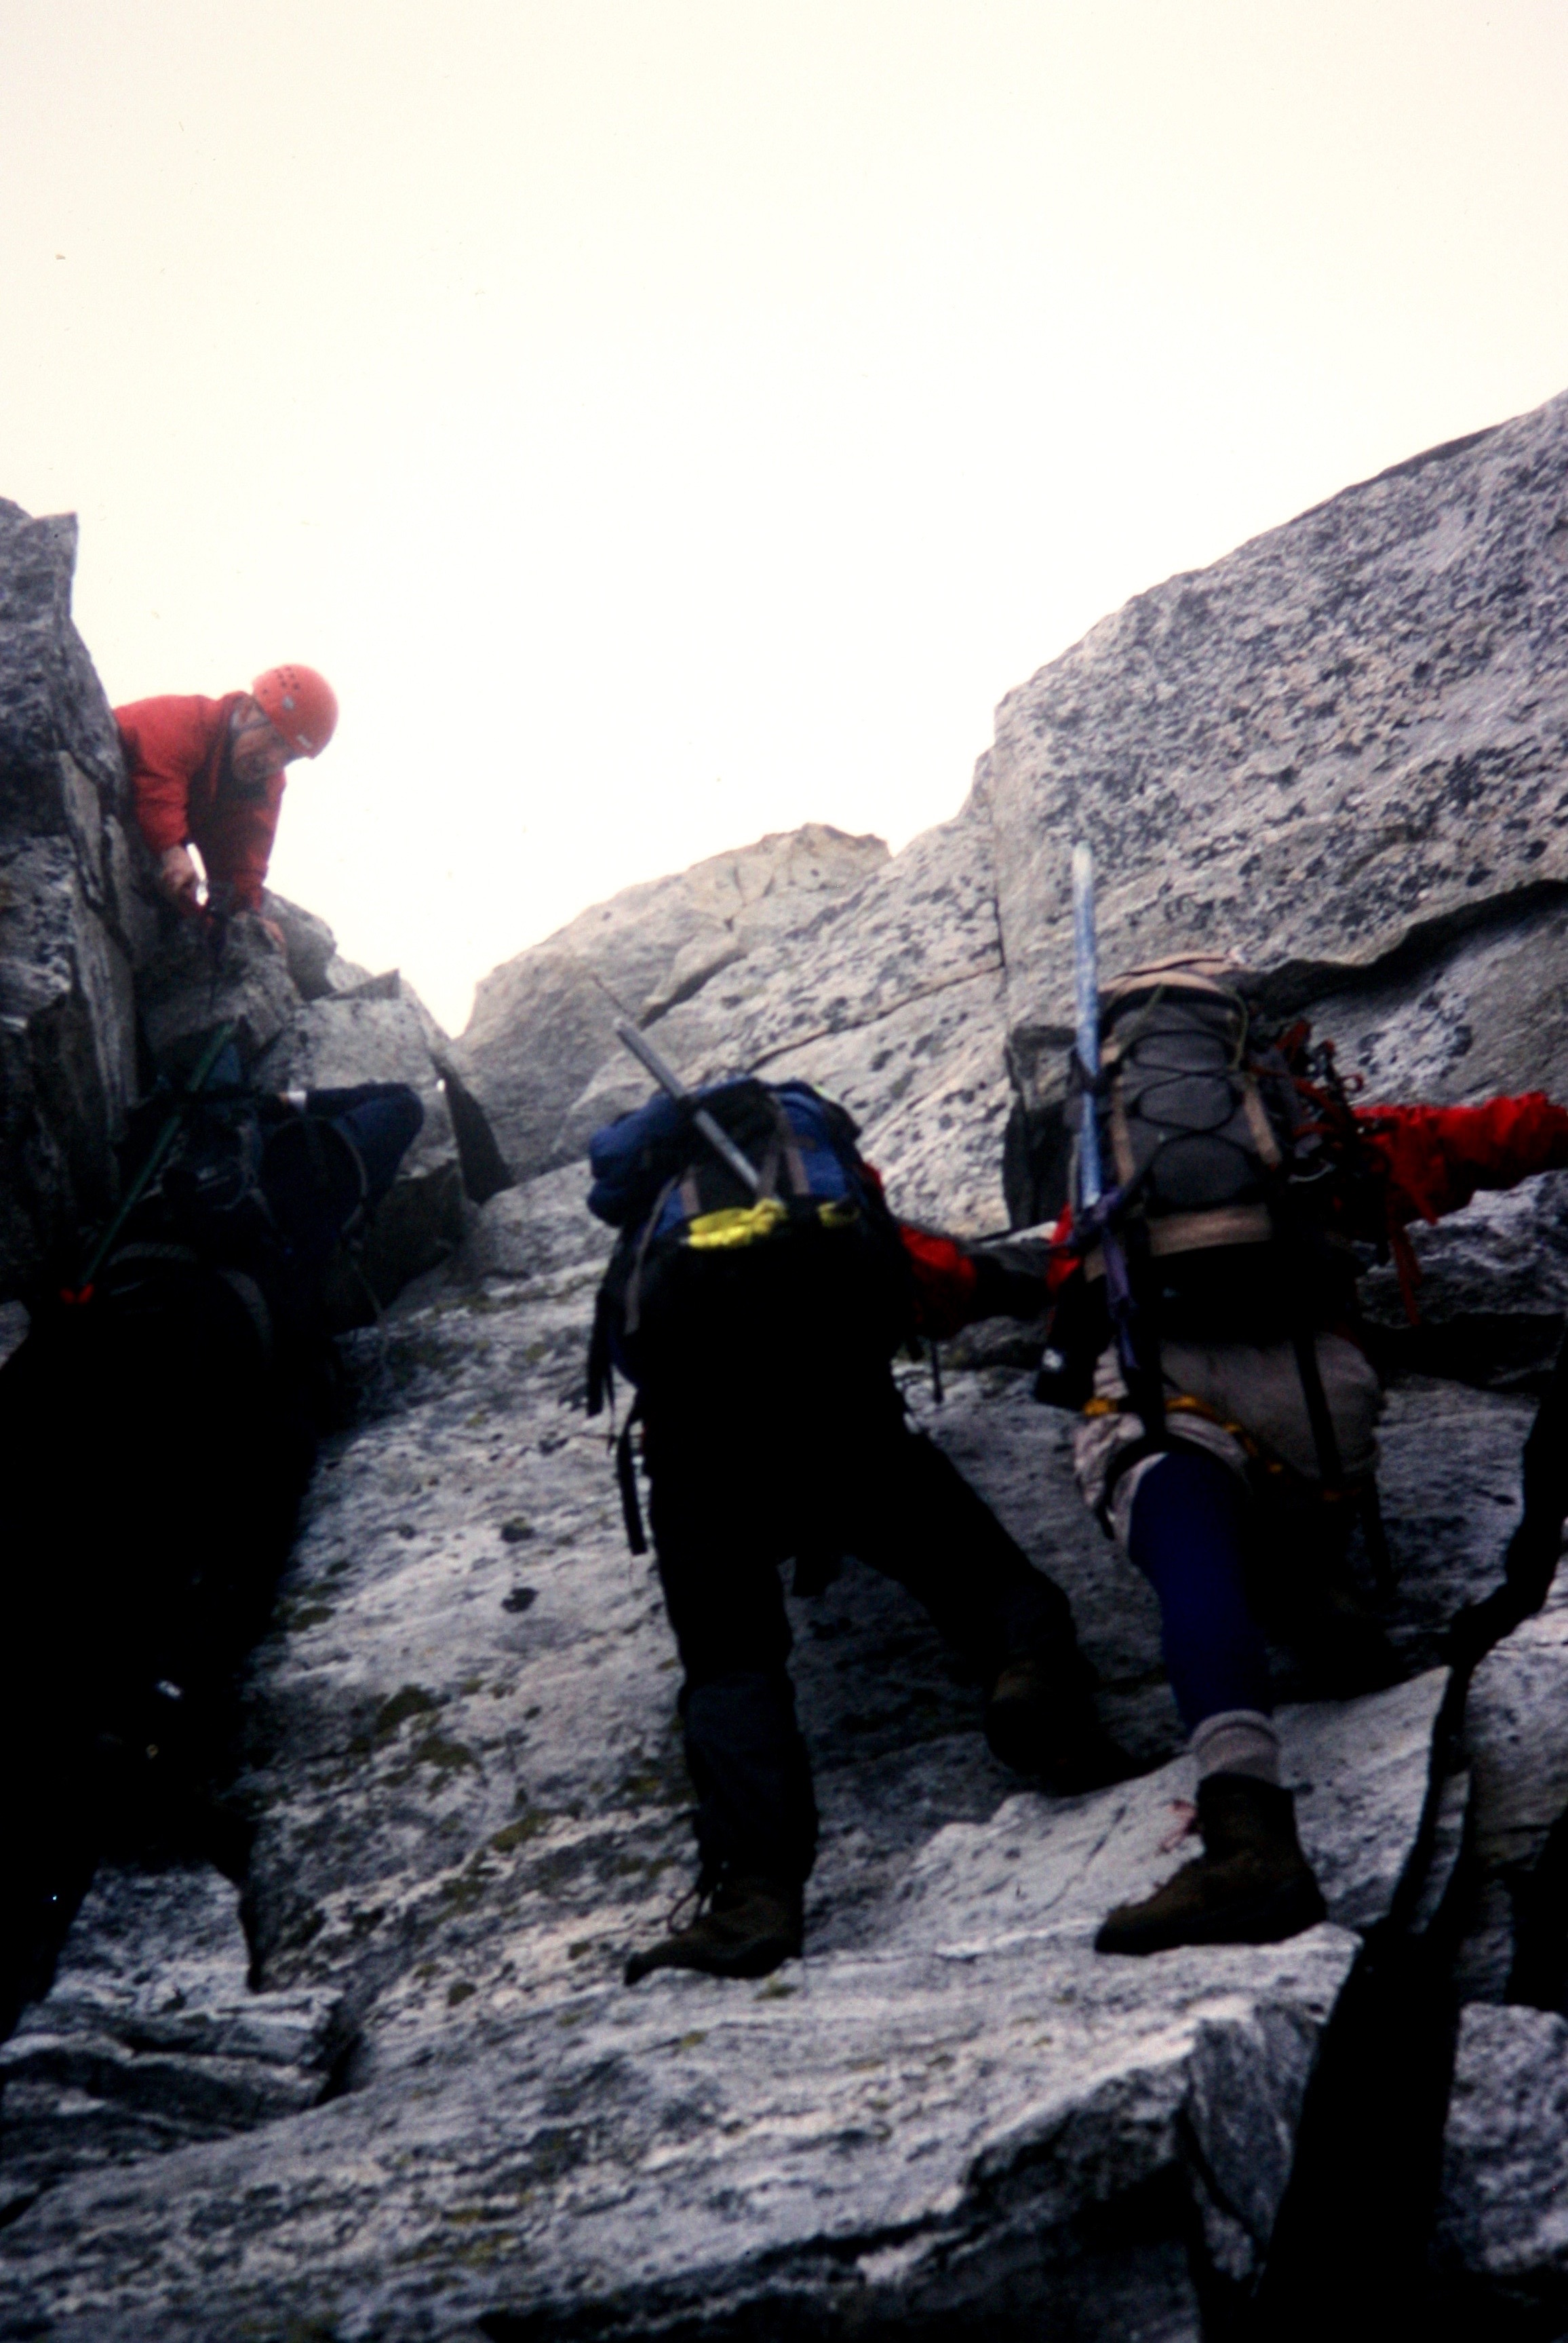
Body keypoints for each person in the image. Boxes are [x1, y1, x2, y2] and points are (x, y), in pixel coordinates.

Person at [1030, 952, 1568, 1957]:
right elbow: (1470, 1141)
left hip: (1166, 1391)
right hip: (1321, 1410)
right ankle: (1314, 1579)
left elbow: (1052, 1274)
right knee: (1276, 1498)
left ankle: (1247, 1842)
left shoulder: (1104, 1161)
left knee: (1184, 1533)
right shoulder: (1299, 1130)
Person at [584, 1070, 1132, 1987]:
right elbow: (942, 1275)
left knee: (730, 1664)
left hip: (698, 1456)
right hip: (843, 1423)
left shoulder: (661, 1226)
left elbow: (626, 1338)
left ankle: (755, 1896)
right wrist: (1051, 1274)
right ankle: (1040, 1689)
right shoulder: (827, 1203)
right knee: (983, 1575)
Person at [0, 1047, 421, 2036]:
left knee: (53, 1566)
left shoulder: (147, 1159)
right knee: (229, 1519)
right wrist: (298, 1102)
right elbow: (404, 1103)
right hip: (215, 1351)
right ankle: (157, 1717)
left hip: (77, 1351)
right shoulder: (310, 1148)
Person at [115, 666, 338, 942]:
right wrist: (171, 849)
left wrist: (246, 917)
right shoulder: (194, 720)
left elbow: (244, 857)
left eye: (289, 756)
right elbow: (158, 772)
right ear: (246, 711)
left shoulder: (263, 787)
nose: (274, 761)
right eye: (275, 740)